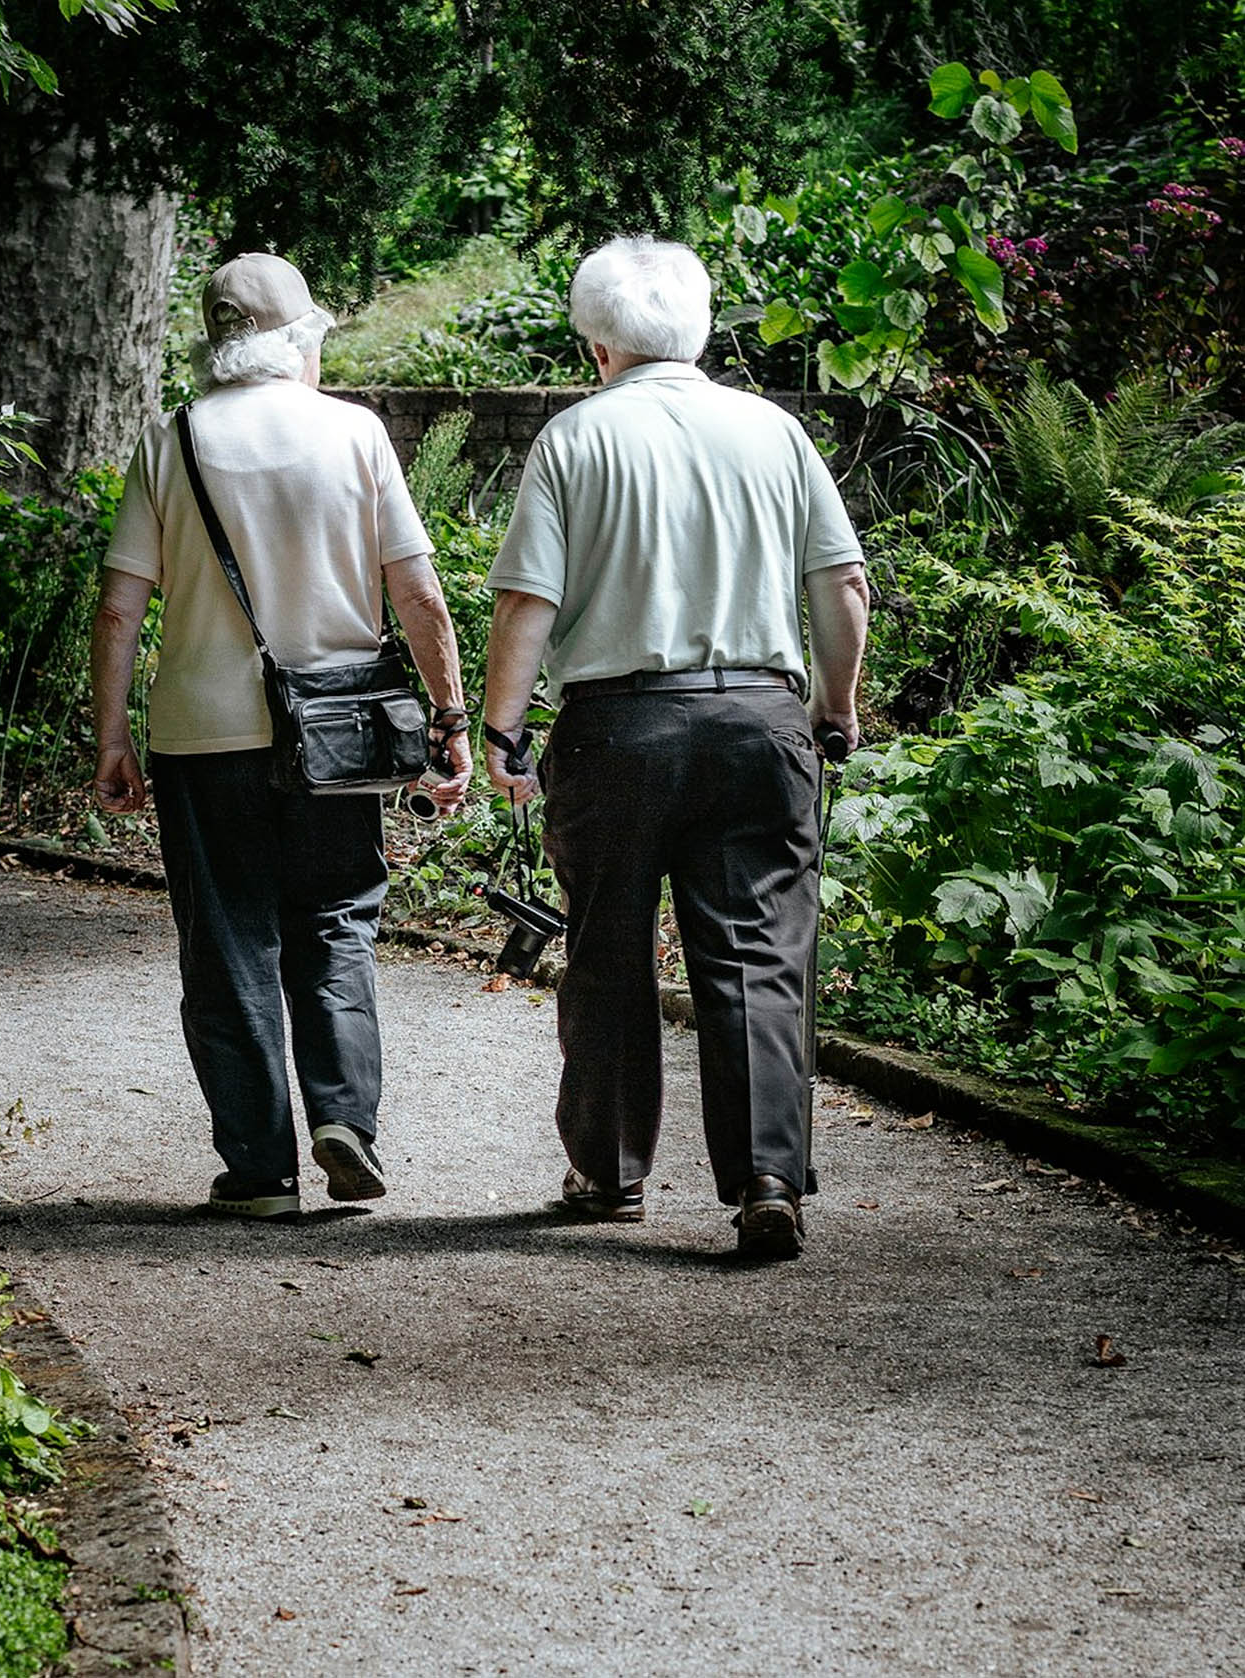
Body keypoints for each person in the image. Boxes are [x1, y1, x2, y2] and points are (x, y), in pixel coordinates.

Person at [481, 234, 869, 1260]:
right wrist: (837, 705)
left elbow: (529, 602)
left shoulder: (575, 439)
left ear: (597, 343)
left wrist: (503, 728)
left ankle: (608, 1173)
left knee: (606, 946)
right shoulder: (773, 432)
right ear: (699, 329)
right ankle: (767, 1178)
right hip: (757, 718)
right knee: (756, 956)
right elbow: (841, 584)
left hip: (618, 729)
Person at [90, 251, 472, 1222]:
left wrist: (110, 739)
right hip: (341, 733)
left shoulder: (169, 440)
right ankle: (345, 1118)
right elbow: (417, 593)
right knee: (337, 921)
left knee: (227, 944)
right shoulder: (355, 432)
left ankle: (258, 1168)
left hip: (200, 737)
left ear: (218, 346)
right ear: (300, 338)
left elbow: (118, 610)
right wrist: (450, 717)